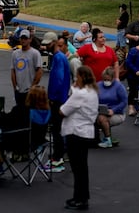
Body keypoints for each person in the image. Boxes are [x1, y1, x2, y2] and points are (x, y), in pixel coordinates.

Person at [59, 66, 99, 211]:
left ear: (82, 77)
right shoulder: (93, 92)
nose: (76, 80)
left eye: (77, 77)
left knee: (78, 169)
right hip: (86, 132)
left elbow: (63, 111)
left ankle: (80, 199)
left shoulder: (80, 94)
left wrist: (72, 90)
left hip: (75, 132)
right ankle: (80, 196)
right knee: (82, 168)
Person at [41, 32, 70, 172]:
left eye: (48, 43)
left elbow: (58, 80)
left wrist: (51, 97)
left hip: (57, 99)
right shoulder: (60, 57)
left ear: (54, 42)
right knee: (59, 129)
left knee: (57, 130)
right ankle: (59, 156)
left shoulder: (58, 58)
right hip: (61, 98)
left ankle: (57, 159)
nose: (46, 46)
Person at [96, 66, 128, 148]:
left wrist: (113, 110)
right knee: (98, 117)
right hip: (100, 111)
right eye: (104, 79)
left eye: (108, 80)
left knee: (102, 118)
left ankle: (108, 140)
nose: (106, 81)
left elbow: (124, 102)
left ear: (113, 78)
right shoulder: (98, 85)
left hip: (117, 113)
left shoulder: (119, 87)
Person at [11, 29, 43, 108]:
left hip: (30, 90)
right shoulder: (15, 53)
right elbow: (13, 71)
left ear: (30, 39)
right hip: (19, 90)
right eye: (22, 38)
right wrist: (15, 87)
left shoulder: (35, 53)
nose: (23, 40)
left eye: (25, 38)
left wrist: (33, 87)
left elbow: (39, 72)